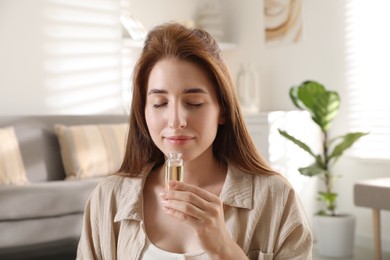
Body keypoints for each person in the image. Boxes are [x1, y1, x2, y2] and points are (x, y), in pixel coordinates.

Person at [77, 23, 312, 260]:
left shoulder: (276, 198)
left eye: (194, 103)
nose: (176, 121)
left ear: (223, 110)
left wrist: (224, 249)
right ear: (143, 111)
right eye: (159, 103)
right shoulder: (108, 199)